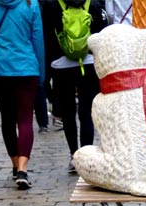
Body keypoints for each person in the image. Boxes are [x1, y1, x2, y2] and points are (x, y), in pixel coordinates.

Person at [0, 0, 46, 190]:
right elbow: (38, 40)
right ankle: (23, 169)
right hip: (26, 68)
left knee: (7, 119)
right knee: (25, 119)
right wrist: (41, 74)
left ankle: (15, 162)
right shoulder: (30, 4)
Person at [43, 0, 109, 173]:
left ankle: (74, 155)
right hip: (88, 64)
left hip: (60, 65)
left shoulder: (52, 5)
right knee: (86, 111)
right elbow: (102, 36)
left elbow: (47, 37)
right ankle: (85, 157)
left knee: (67, 113)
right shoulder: (92, 4)